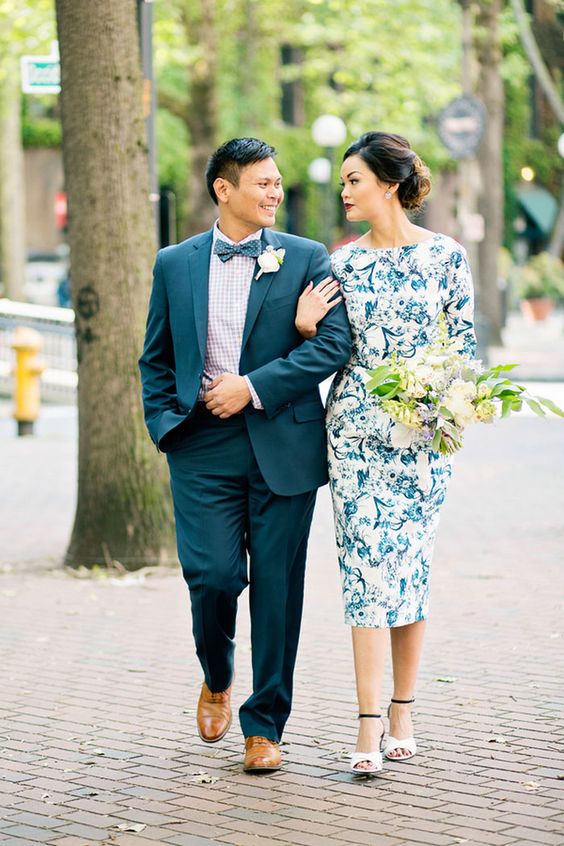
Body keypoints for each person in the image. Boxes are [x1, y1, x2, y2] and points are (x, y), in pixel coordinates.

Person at [138, 137, 351, 773]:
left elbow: (332, 345)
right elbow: (155, 356)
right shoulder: (174, 264)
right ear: (223, 190)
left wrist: (253, 387)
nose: (274, 192)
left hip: (282, 440)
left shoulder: (307, 258)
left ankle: (265, 726)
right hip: (200, 445)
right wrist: (164, 425)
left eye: (278, 182)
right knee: (212, 576)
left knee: (279, 592)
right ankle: (216, 673)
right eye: (261, 182)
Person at [295, 131, 476, 774]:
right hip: (354, 437)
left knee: (410, 571)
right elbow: (327, 349)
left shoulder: (447, 258)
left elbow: (462, 353)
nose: (344, 191)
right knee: (366, 574)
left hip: (424, 439)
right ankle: (368, 723)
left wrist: (446, 408)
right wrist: (307, 325)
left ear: (388, 185)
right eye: (344, 181)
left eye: (354, 180)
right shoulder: (341, 265)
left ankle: (404, 708)